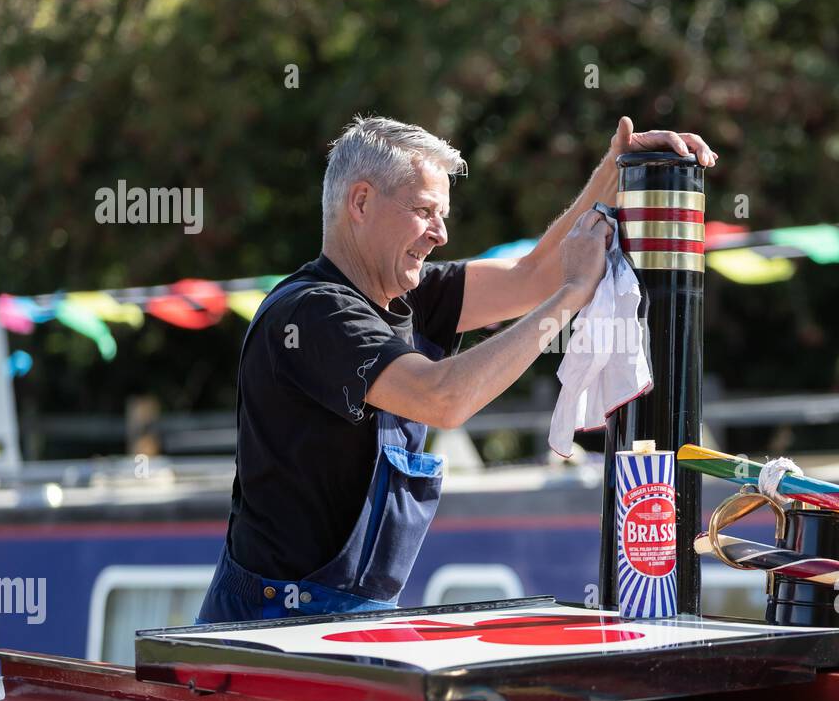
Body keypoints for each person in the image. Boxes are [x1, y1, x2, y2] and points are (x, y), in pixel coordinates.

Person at [196, 114, 716, 623]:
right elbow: (441, 399)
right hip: (269, 623)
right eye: (425, 211)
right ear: (361, 202)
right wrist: (573, 294)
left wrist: (614, 169)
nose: (441, 234)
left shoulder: (413, 295)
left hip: (351, 619)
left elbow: (530, 276)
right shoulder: (314, 313)